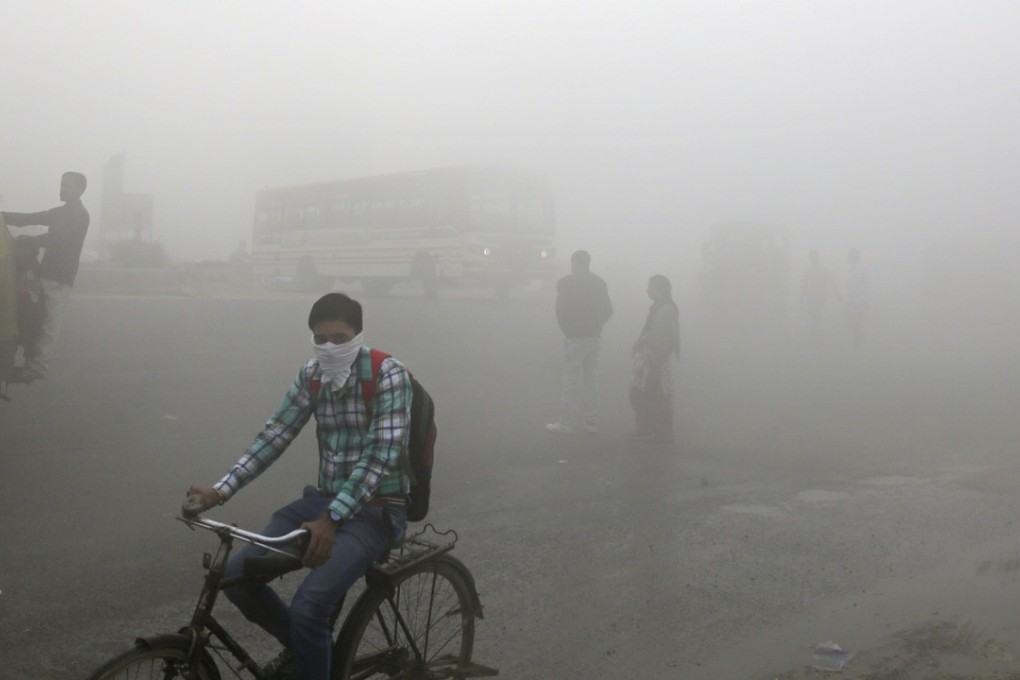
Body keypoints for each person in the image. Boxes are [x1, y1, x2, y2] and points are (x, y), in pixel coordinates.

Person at [186, 292, 411, 680]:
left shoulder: (389, 374)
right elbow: (275, 435)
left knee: (309, 608)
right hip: (322, 503)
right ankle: (312, 654)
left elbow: (379, 456)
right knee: (237, 578)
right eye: (320, 339)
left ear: (357, 335)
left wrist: (333, 517)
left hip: (376, 510)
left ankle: (312, 654)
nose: (329, 347)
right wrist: (220, 490)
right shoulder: (312, 375)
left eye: (339, 338)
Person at [1, 171, 90, 382]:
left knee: (50, 325)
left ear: (79, 190)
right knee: (33, 319)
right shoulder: (59, 212)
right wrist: (3, 215)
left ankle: (37, 368)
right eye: (61, 184)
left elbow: (57, 239)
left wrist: (24, 240)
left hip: (59, 278)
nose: (62, 188)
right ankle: (26, 363)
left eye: (67, 185)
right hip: (44, 275)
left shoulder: (80, 215)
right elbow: (30, 218)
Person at [546, 250, 613, 434]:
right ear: (589, 263)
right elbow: (608, 310)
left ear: (573, 263)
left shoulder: (566, 283)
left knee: (571, 381)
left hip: (574, 338)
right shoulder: (600, 283)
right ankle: (591, 422)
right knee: (591, 381)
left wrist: (567, 329)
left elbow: (560, 310)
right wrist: (597, 325)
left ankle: (566, 423)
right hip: (594, 336)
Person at [630, 274, 680, 444]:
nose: (647, 290)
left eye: (650, 287)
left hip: (655, 359)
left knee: (654, 394)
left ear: (659, 289)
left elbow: (664, 339)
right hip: (651, 357)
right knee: (642, 393)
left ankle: (660, 432)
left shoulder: (666, 309)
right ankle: (650, 428)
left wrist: (653, 361)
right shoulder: (659, 307)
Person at [800, 249, 840, 344]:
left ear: (817, 258)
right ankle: (816, 334)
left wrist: (837, 293)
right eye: (812, 257)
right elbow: (804, 283)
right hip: (811, 296)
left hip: (820, 296)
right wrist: (801, 296)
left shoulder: (823, 269)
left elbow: (831, 281)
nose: (814, 259)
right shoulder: (808, 270)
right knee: (815, 315)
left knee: (816, 315)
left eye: (815, 257)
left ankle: (815, 334)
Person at [844, 248, 869, 348]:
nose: (850, 258)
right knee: (849, 318)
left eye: (853, 256)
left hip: (860, 299)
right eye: (850, 256)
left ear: (857, 257)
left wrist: (867, 299)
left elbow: (866, 284)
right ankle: (859, 335)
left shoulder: (862, 269)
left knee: (857, 319)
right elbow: (846, 284)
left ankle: (858, 338)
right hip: (850, 298)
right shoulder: (847, 269)